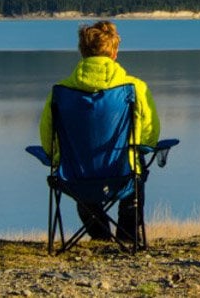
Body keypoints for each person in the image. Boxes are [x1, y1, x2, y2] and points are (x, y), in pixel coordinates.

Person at [39, 20, 160, 242]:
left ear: (82, 52)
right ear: (114, 52)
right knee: (136, 169)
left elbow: (49, 140)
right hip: (122, 174)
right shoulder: (135, 88)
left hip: (76, 176)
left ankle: (100, 235)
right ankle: (128, 234)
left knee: (82, 171)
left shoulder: (60, 92)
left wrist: (54, 155)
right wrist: (142, 148)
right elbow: (149, 137)